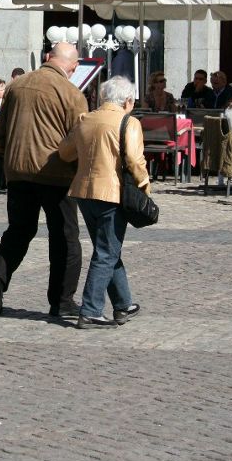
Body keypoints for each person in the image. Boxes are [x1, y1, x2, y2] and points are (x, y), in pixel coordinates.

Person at [0, 42, 87, 318]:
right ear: (73, 67)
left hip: (17, 171)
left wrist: (9, 158)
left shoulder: (17, 86)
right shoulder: (71, 93)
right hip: (55, 173)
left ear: (47, 58)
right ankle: (62, 301)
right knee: (65, 237)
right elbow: (77, 140)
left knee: (19, 230)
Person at [58, 76, 148, 329]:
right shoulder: (129, 122)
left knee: (108, 249)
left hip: (84, 192)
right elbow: (134, 160)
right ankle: (91, 310)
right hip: (113, 193)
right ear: (128, 100)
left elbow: (65, 153)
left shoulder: (85, 119)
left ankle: (123, 304)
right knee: (107, 252)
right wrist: (145, 187)